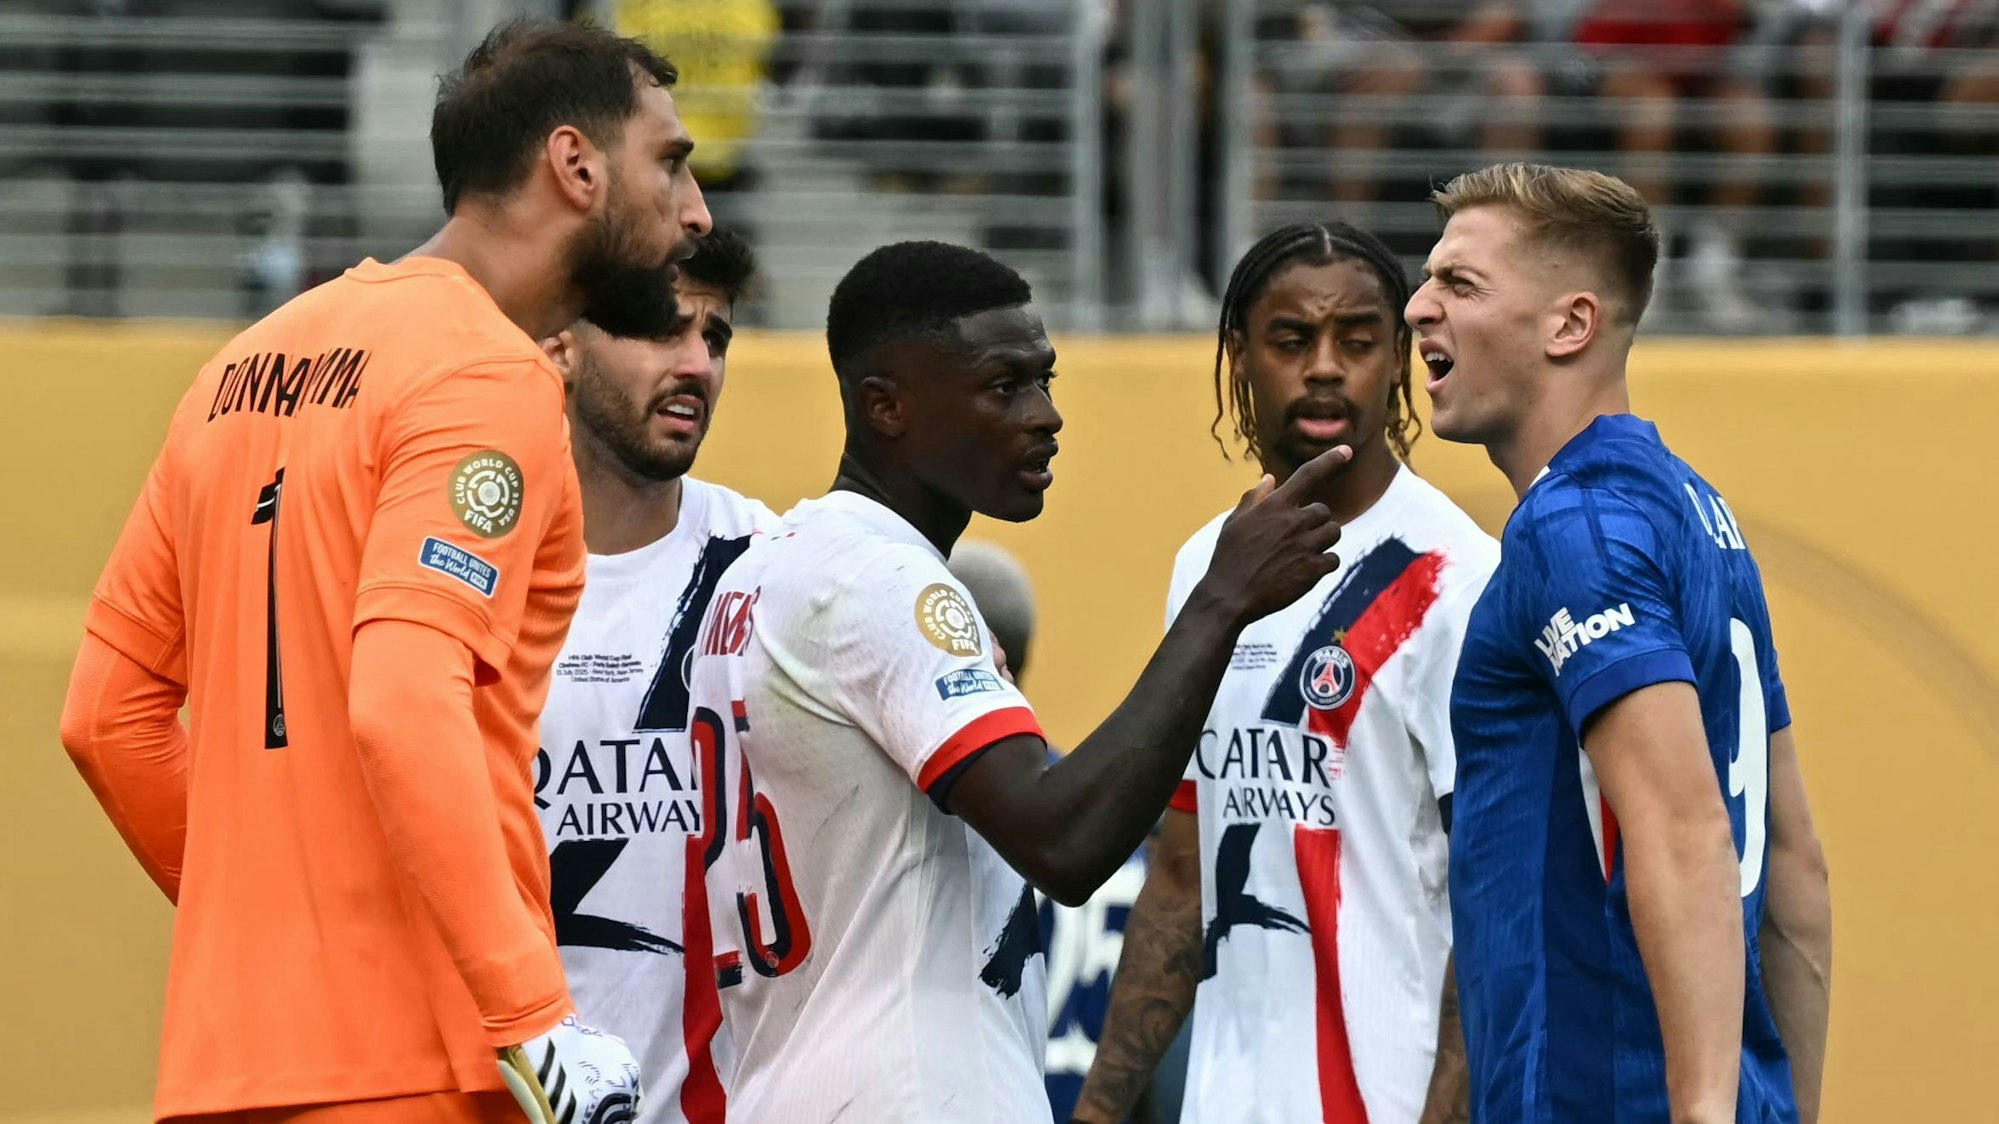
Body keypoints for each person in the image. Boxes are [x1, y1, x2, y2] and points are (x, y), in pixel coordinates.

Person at [57, 18, 711, 1124]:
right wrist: (533, 1016)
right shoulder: (483, 373)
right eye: (672, 161)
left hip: (232, 1064)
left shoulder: (240, 364)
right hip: (424, 1067)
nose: (696, 210)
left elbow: (105, 716)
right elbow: (405, 699)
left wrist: (273, 926)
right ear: (575, 165)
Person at [683, 239, 1354, 1122]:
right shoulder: (885, 581)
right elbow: (1063, 842)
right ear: (885, 406)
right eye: (1003, 387)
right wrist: (1219, 602)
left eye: (1045, 379)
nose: (1045, 415)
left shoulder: (755, 573)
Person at [1405, 162, 1833, 1123]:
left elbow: (1683, 834)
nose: (1416, 309)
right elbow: (1795, 868)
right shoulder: (1691, 509)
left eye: (1458, 285)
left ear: (1570, 325)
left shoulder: (1576, 530)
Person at [1073, 221, 1499, 1124]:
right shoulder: (1207, 567)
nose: (1323, 368)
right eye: (1291, 339)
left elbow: (1493, 901)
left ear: (1397, 360)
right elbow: (1184, 874)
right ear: (1239, 357)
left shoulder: (1457, 580)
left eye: (1355, 340)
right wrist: (1099, 1113)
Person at [531, 228, 769, 1124]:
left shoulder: (769, 566)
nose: (698, 365)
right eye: (664, 331)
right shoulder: (471, 572)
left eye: (716, 338)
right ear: (562, 344)